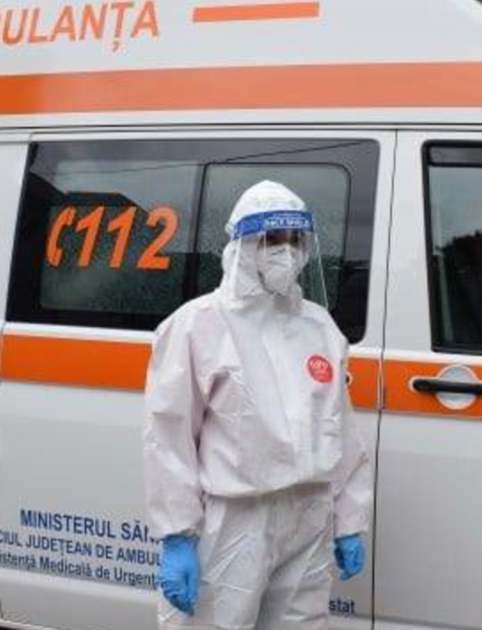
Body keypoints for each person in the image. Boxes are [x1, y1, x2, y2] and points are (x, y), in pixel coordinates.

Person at [143, 180, 373, 630]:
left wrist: (350, 519)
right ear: (242, 246)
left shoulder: (319, 327)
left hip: (309, 512)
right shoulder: (198, 325)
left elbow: (342, 430)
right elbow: (168, 435)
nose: (286, 252)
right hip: (237, 518)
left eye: (295, 240)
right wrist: (177, 534)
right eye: (272, 240)